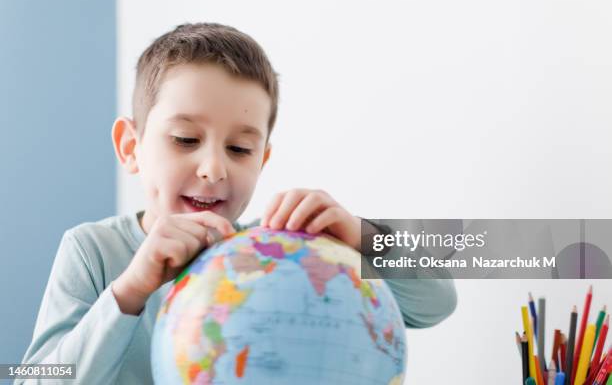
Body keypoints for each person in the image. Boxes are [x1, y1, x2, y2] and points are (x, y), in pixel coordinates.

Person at [19, 23, 457, 384]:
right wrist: (130, 290)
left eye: (240, 149)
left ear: (263, 159)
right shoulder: (92, 250)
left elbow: (437, 301)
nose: (213, 168)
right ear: (131, 147)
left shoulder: (273, 257)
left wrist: (360, 236)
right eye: (185, 139)